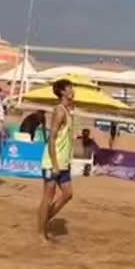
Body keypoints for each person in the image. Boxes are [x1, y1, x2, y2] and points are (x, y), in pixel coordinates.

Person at [38, 78, 75, 242]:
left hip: (63, 161)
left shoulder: (68, 110)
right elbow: (51, 139)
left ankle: (43, 220)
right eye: (69, 88)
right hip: (52, 162)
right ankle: (41, 233)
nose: (72, 91)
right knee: (48, 197)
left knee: (68, 194)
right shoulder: (59, 111)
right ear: (62, 92)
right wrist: (54, 164)